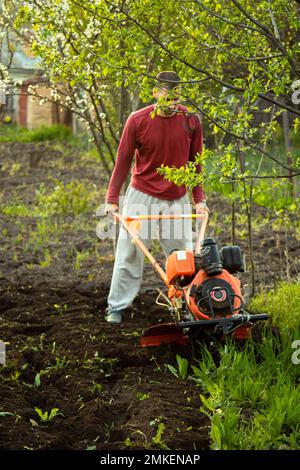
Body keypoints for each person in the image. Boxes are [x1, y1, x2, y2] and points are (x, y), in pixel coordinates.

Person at [104, 70, 208, 324]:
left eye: (175, 95)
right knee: (129, 253)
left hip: (177, 198)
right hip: (141, 197)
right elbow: (122, 161)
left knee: (181, 255)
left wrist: (200, 199)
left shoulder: (191, 120)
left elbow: (196, 164)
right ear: (155, 93)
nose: (171, 100)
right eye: (166, 93)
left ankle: (185, 304)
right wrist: (112, 199)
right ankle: (116, 307)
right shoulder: (137, 120)